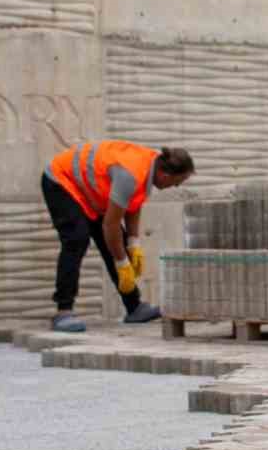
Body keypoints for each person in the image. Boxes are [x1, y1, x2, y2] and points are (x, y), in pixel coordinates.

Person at [41, 141, 194, 333]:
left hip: (89, 192)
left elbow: (132, 205)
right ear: (165, 174)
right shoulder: (130, 175)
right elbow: (110, 225)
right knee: (76, 240)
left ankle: (134, 307)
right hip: (61, 181)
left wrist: (133, 243)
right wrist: (122, 263)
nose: (176, 186)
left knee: (117, 244)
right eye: (177, 182)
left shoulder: (149, 166)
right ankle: (63, 312)